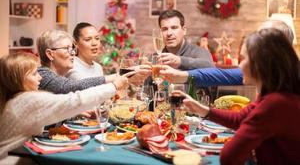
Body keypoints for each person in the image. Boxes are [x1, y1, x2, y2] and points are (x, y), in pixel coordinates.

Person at [176, 28, 300, 165]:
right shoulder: (281, 95)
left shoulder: (274, 104)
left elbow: (229, 157)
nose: (239, 65)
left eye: (243, 58)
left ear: (260, 64)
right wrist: (201, 109)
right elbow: (239, 118)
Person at [0, 52, 129, 161]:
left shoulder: (15, 99)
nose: (40, 77)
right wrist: (114, 86)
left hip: (23, 156)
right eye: (34, 74)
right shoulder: (27, 99)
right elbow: (74, 100)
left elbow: (41, 115)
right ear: (17, 79)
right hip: (13, 160)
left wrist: (74, 112)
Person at [160, 19, 295, 88]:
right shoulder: (269, 73)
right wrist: (206, 112)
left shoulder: (288, 84)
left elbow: (217, 72)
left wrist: (182, 74)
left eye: (262, 36)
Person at [37, 30, 148, 94]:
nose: (73, 53)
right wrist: (120, 75)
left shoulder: (60, 76)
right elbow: (74, 86)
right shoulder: (42, 75)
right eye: (67, 49)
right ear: (50, 54)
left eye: (72, 49)